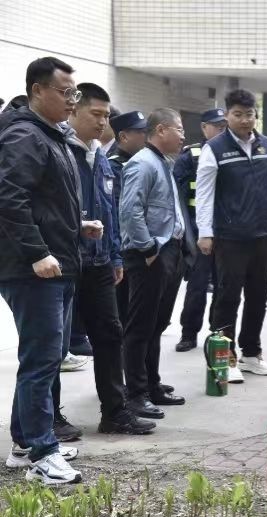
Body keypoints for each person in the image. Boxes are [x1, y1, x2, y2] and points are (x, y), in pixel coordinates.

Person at [0, 57, 104, 484]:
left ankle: (26, 444)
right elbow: (10, 199)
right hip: (34, 270)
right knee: (41, 361)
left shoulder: (50, 134)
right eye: (66, 92)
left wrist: (76, 225)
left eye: (74, 92)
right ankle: (43, 454)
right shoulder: (25, 135)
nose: (72, 100)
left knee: (43, 358)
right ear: (37, 90)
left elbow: (44, 201)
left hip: (56, 261)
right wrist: (37, 253)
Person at [62, 82, 155, 436]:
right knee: (56, 345)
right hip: (66, 262)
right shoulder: (61, 150)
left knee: (110, 335)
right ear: (74, 111)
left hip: (100, 262)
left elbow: (109, 211)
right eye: (96, 114)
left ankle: (115, 413)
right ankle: (50, 419)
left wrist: (115, 255)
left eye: (106, 115)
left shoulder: (100, 156)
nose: (103, 122)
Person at [195, 89, 267, 383]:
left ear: (255, 115)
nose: (244, 120)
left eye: (249, 114)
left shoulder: (266, 144)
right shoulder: (214, 148)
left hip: (263, 232)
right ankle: (225, 357)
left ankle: (251, 353)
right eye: (237, 114)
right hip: (230, 236)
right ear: (227, 116)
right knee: (228, 297)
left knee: (259, 295)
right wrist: (205, 233)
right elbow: (204, 194)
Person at [120, 108, 196, 419]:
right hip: (150, 255)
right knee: (140, 327)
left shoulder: (163, 162)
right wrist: (148, 248)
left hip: (169, 253)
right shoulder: (142, 163)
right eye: (179, 129)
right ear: (161, 130)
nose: (183, 136)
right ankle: (136, 394)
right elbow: (130, 211)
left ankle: (152, 384)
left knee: (157, 324)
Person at [173, 108, 227, 352]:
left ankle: (219, 332)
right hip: (197, 233)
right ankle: (189, 333)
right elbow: (178, 198)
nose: (222, 130)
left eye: (224, 126)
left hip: (226, 233)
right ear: (204, 128)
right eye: (217, 126)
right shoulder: (190, 155)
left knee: (224, 287)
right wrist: (186, 234)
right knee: (197, 285)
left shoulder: (230, 153)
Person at [106, 111, 147, 324]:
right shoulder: (113, 167)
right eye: (141, 132)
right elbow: (116, 212)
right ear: (123, 136)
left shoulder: (145, 163)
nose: (146, 136)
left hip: (144, 246)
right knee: (123, 310)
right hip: (124, 249)